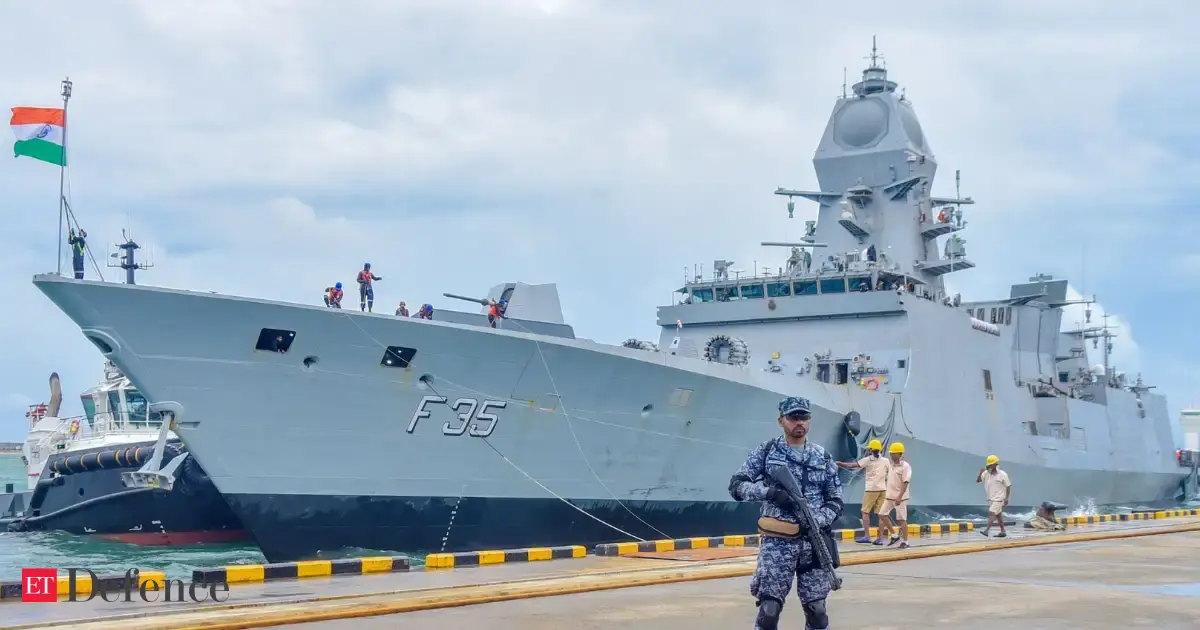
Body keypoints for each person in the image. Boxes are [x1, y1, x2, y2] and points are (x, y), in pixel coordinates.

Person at [728, 396, 843, 630]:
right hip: (777, 543)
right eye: (793, 417)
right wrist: (770, 493)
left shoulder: (822, 456)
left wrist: (818, 519)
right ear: (781, 420)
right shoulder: (767, 451)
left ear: (810, 421)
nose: (799, 422)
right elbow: (737, 486)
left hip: (814, 542)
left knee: (817, 610)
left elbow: (836, 500)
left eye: (804, 417)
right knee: (769, 611)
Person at [836, 438, 888, 544]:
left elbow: (851, 465)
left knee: (865, 512)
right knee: (881, 514)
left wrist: (839, 463)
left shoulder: (868, 460)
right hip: (883, 489)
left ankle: (867, 536)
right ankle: (880, 538)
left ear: (870, 450)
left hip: (871, 490)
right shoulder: (886, 461)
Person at [878, 442, 912, 549]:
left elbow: (905, 482)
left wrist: (899, 497)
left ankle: (906, 542)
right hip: (889, 496)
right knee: (882, 514)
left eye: (893, 453)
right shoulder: (891, 465)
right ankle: (894, 535)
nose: (891, 455)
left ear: (899, 454)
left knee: (901, 520)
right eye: (891, 453)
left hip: (900, 498)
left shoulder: (905, 466)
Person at [976, 454, 1011, 537]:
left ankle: (986, 531)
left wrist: (1006, 498)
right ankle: (1003, 531)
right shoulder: (986, 473)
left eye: (991, 464)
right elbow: (978, 481)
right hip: (990, 499)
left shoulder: (1003, 474)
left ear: (996, 464)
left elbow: (1008, 486)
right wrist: (980, 473)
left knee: (992, 513)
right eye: (988, 465)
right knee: (998, 516)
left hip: (999, 499)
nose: (989, 466)